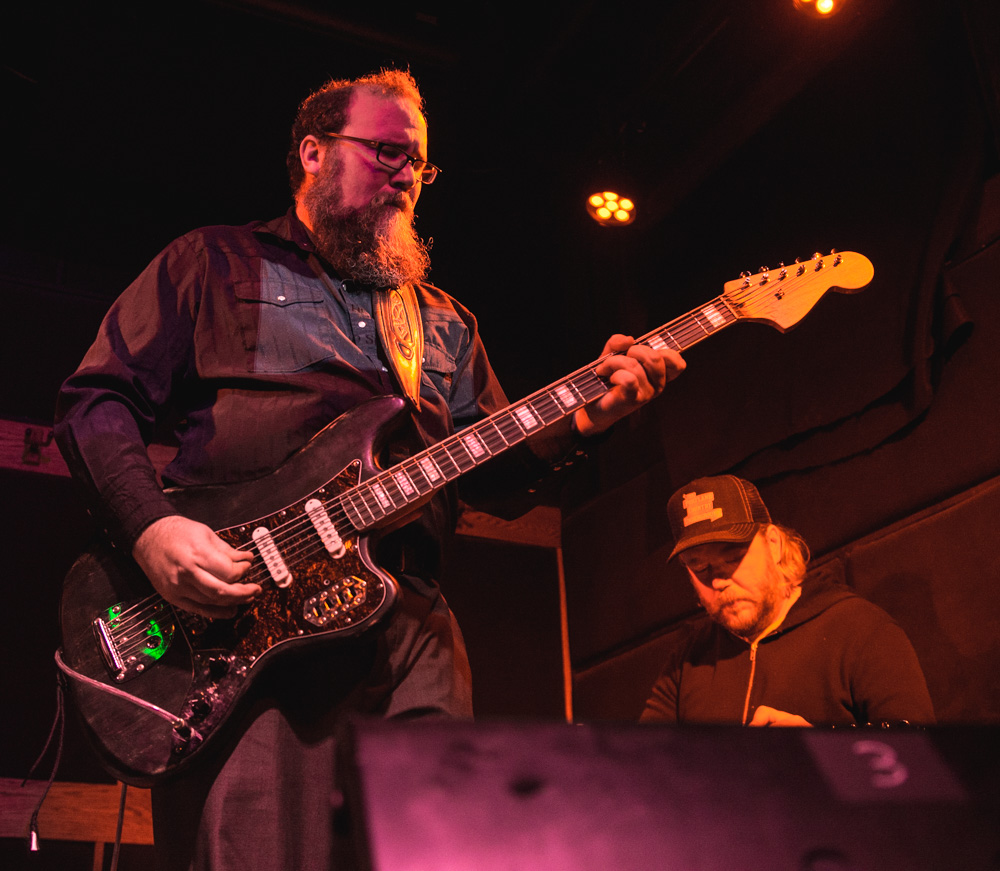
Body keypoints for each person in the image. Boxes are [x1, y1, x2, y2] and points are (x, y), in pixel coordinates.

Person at [54, 69, 685, 870]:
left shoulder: (442, 322)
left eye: (418, 162)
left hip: (409, 624)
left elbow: (484, 464)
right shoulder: (213, 264)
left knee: (431, 851)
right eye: (386, 150)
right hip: (249, 629)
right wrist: (151, 529)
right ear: (313, 153)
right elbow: (95, 402)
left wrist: (585, 423)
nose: (406, 174)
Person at [640, 475, 935, 727]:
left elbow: (922, 764)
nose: (718, 580)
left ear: (773, 544)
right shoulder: (686, 662)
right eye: (699, 567)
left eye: (733, 558)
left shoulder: (860, 630)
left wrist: (819, 751)